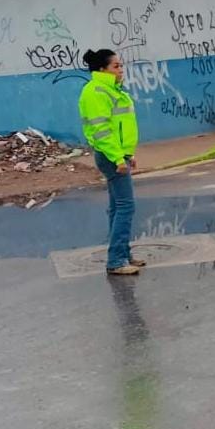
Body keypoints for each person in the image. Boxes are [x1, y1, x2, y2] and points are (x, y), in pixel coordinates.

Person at [79, 48, 143, 276]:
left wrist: (127, 154)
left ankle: (122, 254)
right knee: (126, 206)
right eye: (116, 66)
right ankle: (116, 260)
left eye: (121, 65)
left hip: (117, 155)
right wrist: (117, 158)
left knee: (118, 206)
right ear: (102, 69)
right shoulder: (97, 92)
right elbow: (101, 131)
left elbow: (120, 128)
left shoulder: (110, 89)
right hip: (109, 156)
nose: (121, 70)